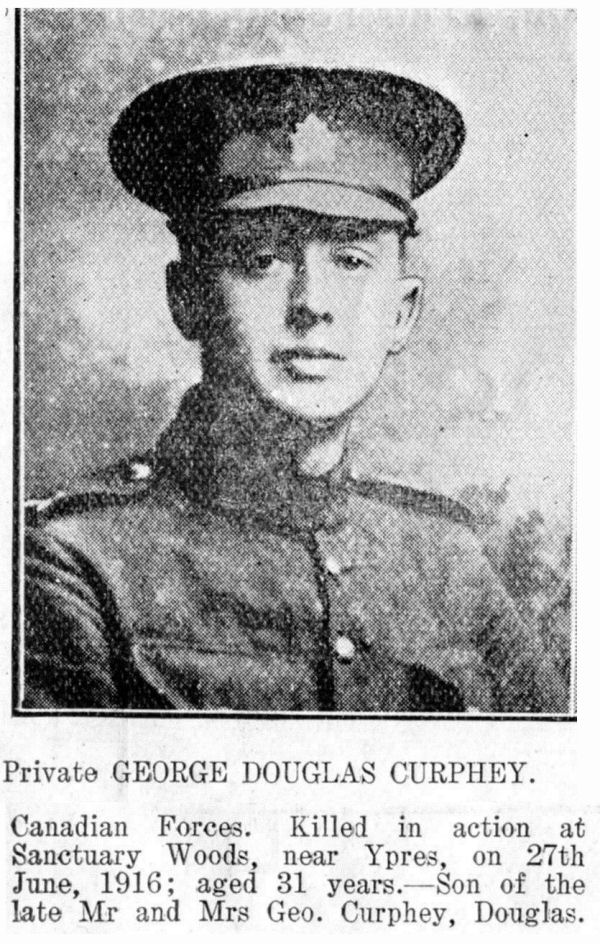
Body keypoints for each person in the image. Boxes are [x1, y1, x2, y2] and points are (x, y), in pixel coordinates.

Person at [23, 65, 567, 713]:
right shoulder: (77, 561)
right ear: (189, 297)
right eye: (261, 260)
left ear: (401, 313)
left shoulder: (452, 564)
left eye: (351, 261)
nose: (312, 304)